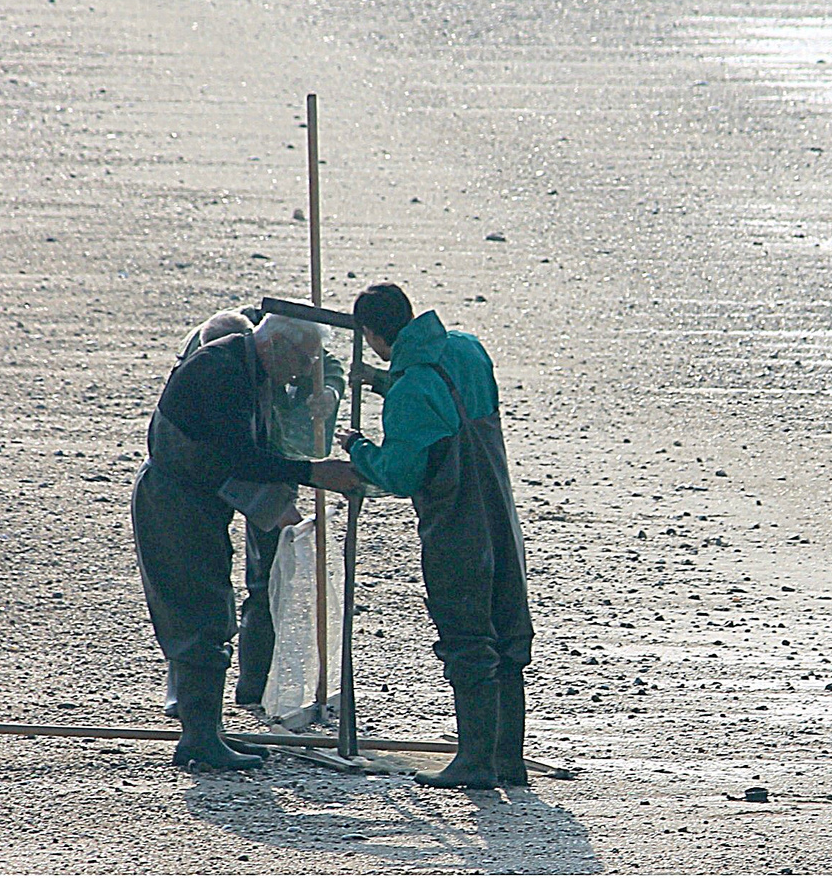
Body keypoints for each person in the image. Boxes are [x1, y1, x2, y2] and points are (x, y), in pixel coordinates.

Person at [131, 312, 363, 769]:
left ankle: (209, 731)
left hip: (199, 503)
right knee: (198, 613)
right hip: (174, 502)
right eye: (302, 361)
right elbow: (240, 456)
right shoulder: (221, 370)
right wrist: (313, 473)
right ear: (276, 345)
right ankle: (199, 740)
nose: (302, 373)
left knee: (213, 608)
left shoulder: (249, 367)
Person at [337, 282, 532, 789]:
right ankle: (509, 760)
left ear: (374, 334)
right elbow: (446, 400)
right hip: (499, 515)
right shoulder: (467, 348)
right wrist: (383, 382)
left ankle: (474, 761)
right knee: (508, 634)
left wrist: (359, 450)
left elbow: (400, 474)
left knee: (467, 639)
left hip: (456, 528)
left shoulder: (409, 391)